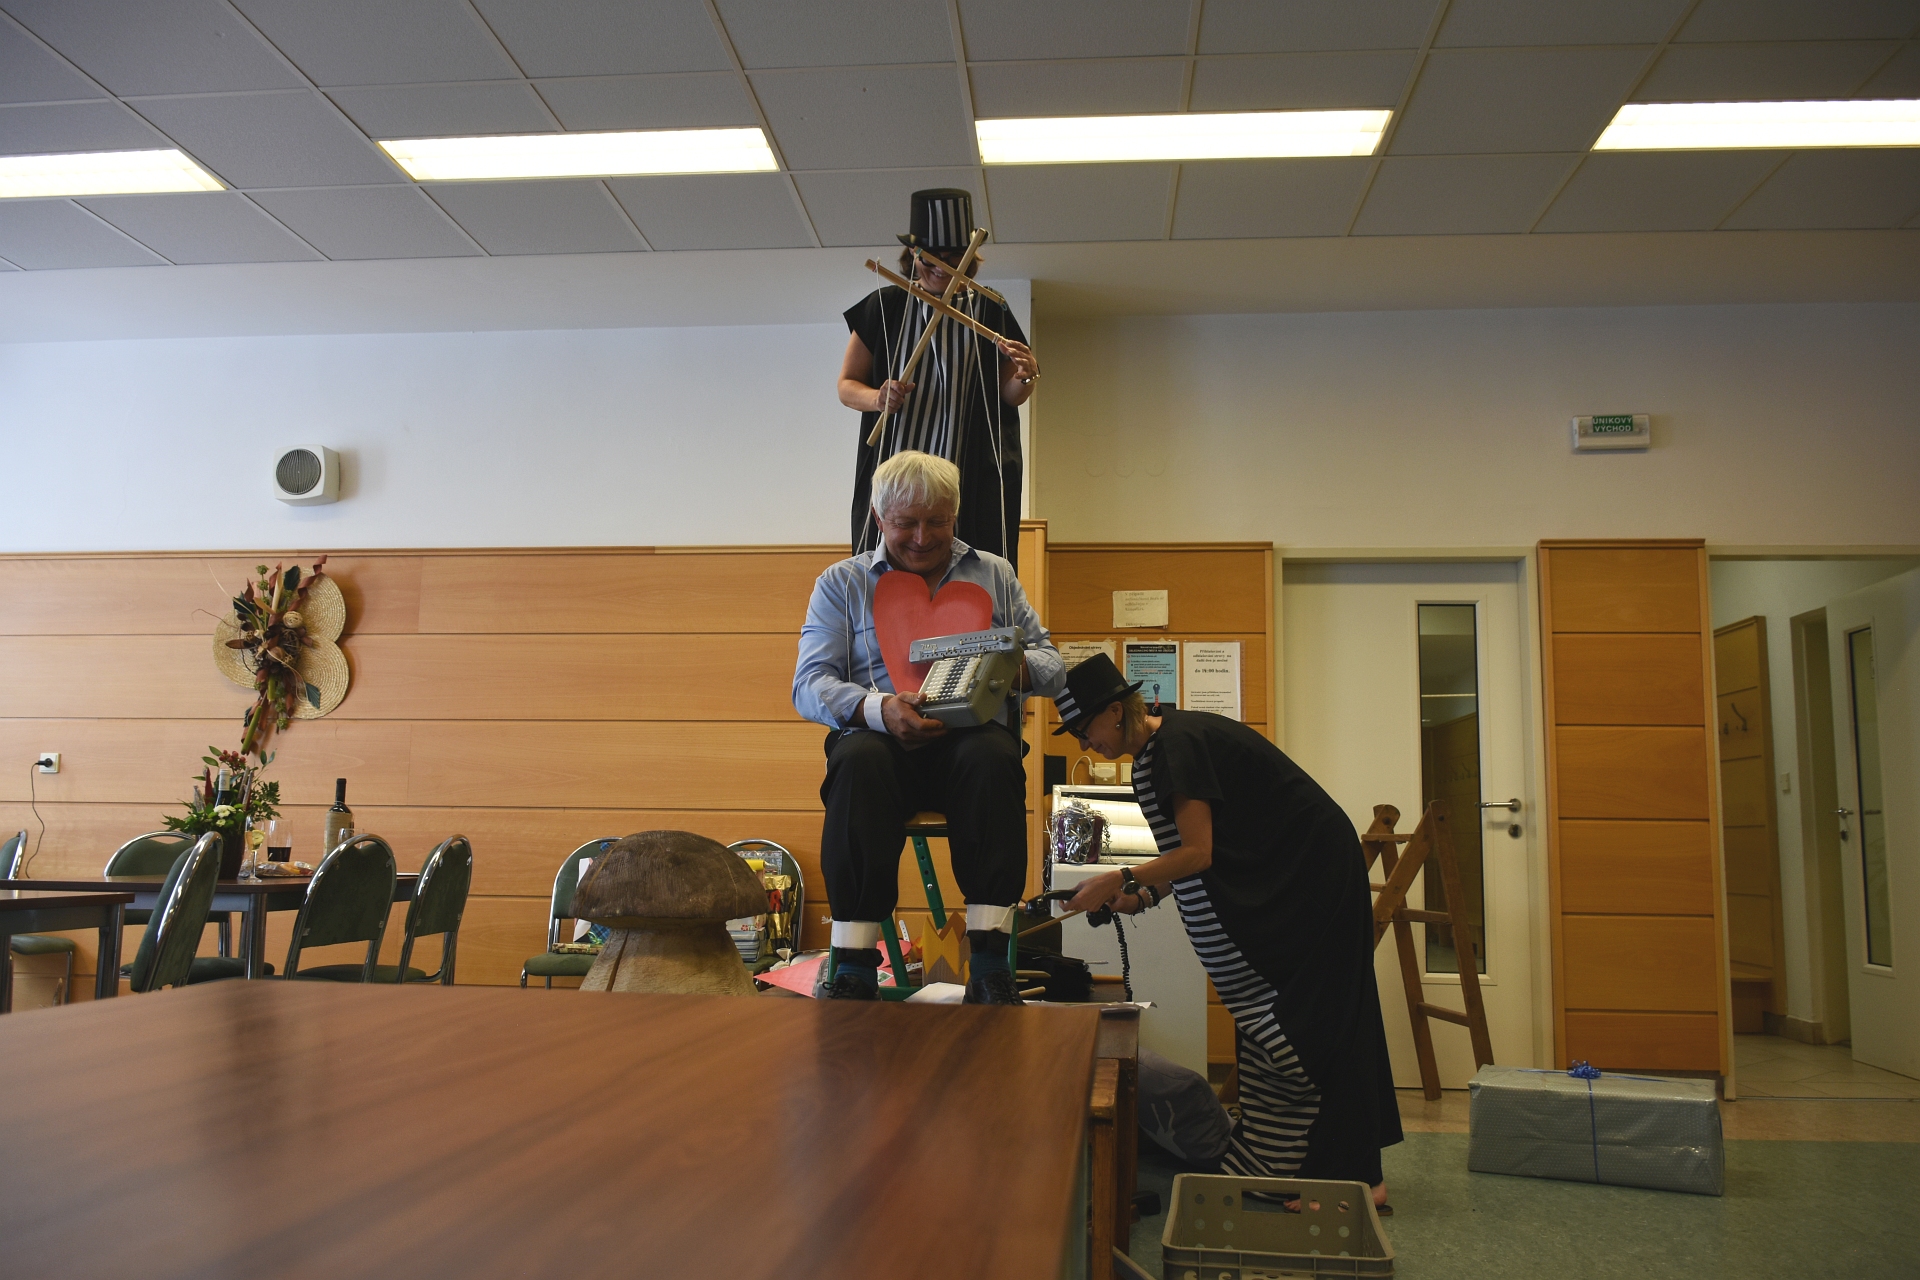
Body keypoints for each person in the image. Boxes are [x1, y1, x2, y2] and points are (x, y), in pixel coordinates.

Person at [1057, 653, 1403, 1208]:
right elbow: (1187, 858)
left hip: (1309, 874)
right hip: (1282, 870)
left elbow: (1198, 853)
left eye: (1084, 729)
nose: (1084, 743)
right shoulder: (1154, 755)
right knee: (1276, 1028)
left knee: (1315, 1025)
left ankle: (1354, 1179)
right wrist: (1139, 895)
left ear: (1116, 712)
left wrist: (1119, 876)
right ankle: (1282, 1159)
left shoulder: (1177, 745)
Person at [793, 450, 1064, 1003]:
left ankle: (990, 965)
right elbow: (809, 684)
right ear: (878, 518)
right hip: (879, 746)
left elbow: (1052, 664)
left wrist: (1005, 668)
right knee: (857, 761)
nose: (922, 537)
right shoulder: (841, 583)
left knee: (993, 757)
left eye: (937, 521)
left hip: (971, 746)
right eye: (906, 523)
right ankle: (853, 967)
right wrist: (879, 709)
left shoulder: (994, 573)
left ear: (955, 514)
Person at [839, 188, 1038, 569]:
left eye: (953, 259)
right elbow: (847, 386)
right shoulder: (886, 305)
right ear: (912, 255)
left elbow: (1010, 394)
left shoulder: (989, 308)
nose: (940, 268)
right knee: (886, 570)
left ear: (969, 259)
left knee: (972, 569)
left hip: (970, 467)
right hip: (895, 465)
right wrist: (877, 398)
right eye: (930, 257)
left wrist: (1026, 376)